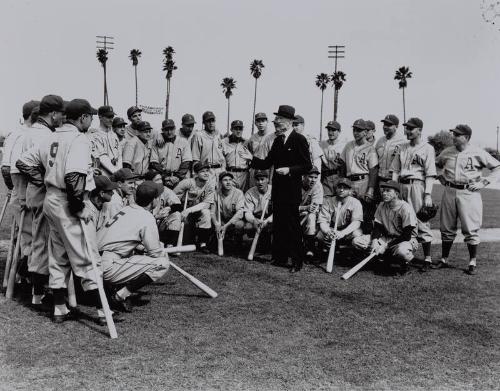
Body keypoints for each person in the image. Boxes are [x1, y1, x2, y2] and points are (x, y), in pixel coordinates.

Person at [19, 98, 106, 323]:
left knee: (58, 255)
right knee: (86, 255)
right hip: (69, 202)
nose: (92, 120)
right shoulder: (79, 139)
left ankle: (59, 308)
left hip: (51, 199)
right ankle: (102, 310)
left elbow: (24, 162)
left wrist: (45, 181)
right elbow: (73, 176)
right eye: (91, 117)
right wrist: (78, 208)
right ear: (83, 117)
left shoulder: (51, 136)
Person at [242, 105, 312, 273]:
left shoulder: (299, 139)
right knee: (279, 224)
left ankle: (297, 261)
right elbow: (267, 162)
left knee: (293, 225)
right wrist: (252, 159)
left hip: (292, 190)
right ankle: (279, 257)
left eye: (279, 120)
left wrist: (289, 170)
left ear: (288, 122)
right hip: (278, 189)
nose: (275, 123)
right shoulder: (278, 141)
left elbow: (307, 165)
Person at [16, 96, 64, 305]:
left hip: (32, 193)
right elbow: (24, 164)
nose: (62, 117)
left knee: (39, 242)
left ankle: (36, 290)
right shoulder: (43, 134)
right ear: (53, 113)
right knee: (43, 243)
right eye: (61, 113)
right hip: (40, 194)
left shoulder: (32, 131)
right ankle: (37, 295)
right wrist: (43, 180)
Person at [433, 124, 500, 274]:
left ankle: (472, 261)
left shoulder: (477, 152)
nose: (454, 137)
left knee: (470, 228)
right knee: (446, 227)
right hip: (450, 190)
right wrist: (441, 176)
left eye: (457, 135)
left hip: (469, 192)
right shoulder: (447, 152)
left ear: (467, 137)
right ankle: (444, 259)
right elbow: (436, 164)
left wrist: (483, 182)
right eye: (454, 134)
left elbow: (497, 167)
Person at [97, 181, 171, 313]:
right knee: (162, 263)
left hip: (92, 260)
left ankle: (111, 288)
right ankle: (120, 296)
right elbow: (155, 253)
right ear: (154, 200)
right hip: (107, 266)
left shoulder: (126, 209)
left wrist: (142, 249)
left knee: (136, 253)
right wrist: (160, 252)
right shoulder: (147, 217)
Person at [390, 117, 436, 269]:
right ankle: (403, 255)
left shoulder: (428, 148)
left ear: (420, 130)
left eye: (411, 128)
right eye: (406, 128)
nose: (407, 131)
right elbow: (395, 170)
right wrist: (394, 188)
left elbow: (430, 174)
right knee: (401, 219)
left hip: (417, 185)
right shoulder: (401, 147)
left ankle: (428, 258)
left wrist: (428, 194)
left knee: (421, 221)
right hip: (401, 185)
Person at [353, 180, 418, 274]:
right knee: (357, 241)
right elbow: (377, 227)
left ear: (396, 193)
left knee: (402, 251)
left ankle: (405, 263)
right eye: (383, 190)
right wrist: (375, 241)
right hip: (387, 238)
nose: (384, 193)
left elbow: (406, 235)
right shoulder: (381, 205)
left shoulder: (406, 208)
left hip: (405, 240)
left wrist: (386, 246)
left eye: (388, 191)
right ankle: (383, 258)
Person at [339, 119, 379, 232]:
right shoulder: (348, 145)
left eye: (359, 130)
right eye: (354, 130)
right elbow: (342, 164)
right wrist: (342, 181)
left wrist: (370, 189)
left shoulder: (370, 148)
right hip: (349, 181)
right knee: (348, 210)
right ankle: (350, 240)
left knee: (365, 212)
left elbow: (373, 170)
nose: (356, 132)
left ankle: (364, 241)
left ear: (365, 132)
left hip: (363, 181)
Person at [173, 161, 215, 251]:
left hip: (195, 211)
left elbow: (206, 204)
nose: (206, 173)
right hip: (183, 210)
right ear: (196, 173)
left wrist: (189, 210)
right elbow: (174, 197)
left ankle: (203, 243)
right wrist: (181, 210)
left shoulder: (210, 185)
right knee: (186, 241)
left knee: (206, 213)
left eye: (207, 171)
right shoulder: (187, 182)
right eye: (202, 171)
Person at [317, 178, 363, 252]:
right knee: (320, 235)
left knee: (357, 234)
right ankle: (329, 250)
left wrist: (342, 233)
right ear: (336, 189)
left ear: (350, 190)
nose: (341, 190)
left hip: (347, 231)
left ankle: (346, 252)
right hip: (332, 230)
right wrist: (328, 232)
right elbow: (323, 221)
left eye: (345, 188)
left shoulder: (356, 202)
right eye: (339, 187)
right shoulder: (328, 201)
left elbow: (356, 223)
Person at [143, 169, 183, 247]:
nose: (160, 181)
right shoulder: (143, 191)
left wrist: (169, 208)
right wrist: (155, 216)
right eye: (157, 180)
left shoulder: (165, 190)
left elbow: (178, 206)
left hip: (160, 222)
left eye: (161, 179)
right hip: (146, 223)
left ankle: (170, 244)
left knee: (176, 215)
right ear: (150, 182)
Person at [151, 119, 192, 189]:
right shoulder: (157, 142)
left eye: (171, 129)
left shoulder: (183, 142)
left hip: (179, 178)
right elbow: (154, 163)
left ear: (175, 128)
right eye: (166, 129)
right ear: (162, 130)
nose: (169, 132)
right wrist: (165, 177)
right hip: (162, 179)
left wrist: (177, 177)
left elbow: (187, 162)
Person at [211, 172, 245, 246]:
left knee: (240, 224)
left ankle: (237, 243)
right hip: (221, 221)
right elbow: (212, 212)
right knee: (209, 221)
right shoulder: (216, 193)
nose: (228, 182)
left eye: (230, 180)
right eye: (225, 180)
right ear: (220, 182)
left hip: (232, 221)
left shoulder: (238, 193)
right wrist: (216, 223)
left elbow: (240, 213)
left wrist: (226, 226)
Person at [191, 111, 225, 180]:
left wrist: (223, 169)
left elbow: (223, 156)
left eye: (212, 121)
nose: (211, 123)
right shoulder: (199, 135)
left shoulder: (219, 135)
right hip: (206, 170)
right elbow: (195, 159)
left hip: (219, 170)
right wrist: (195, 175)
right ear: (203, 123)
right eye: (208, 121)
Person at [243, 170, 273, 250]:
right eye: (257, 179)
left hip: (270, 219)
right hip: (256, 219)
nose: (260, 182)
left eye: (262, 179)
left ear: (267, 180)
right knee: (247, 226)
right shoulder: (249, 193)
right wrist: (254, 221)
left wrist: (266, 221)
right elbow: (247, 213)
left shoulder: (274, 190)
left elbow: (279, 211)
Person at [89, 106, 121, 176]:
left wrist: (120, 171)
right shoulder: (95, 135)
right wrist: (118, 174)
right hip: (104, 174)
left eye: (112, 117)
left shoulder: (114, 135)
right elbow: (102, 157)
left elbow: (119, 155)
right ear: (100, 117)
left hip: (117, 173)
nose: (111, 120)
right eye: (108, 117)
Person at [299, 166, 323, 259]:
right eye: (310, 177)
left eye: (315, 177)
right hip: (293, 212)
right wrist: (305, 208)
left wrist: (308, 209)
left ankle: (310, 248)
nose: (313, 180)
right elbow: (289, 207)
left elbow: (314, 208)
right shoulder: (296, 184)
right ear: (304, 176)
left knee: (311, 216)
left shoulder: (318, 186)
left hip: (306, 214)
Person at [375, 114, 405, 183]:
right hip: (380, 179)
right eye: (384, 124)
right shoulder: (380, 141)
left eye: (389, 125)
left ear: (396, 126)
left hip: (395, 180)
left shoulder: (403, 141)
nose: (385, 127)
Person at [222, 120, 250, 191]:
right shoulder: (224, 142)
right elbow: (222, 159)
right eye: (236, 129)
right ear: (231, 129)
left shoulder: (247, 142)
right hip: (230, 173)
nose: (238, 131)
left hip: (244, 174)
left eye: (240, 129)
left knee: (243, 197)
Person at [319, 121, 345, 197]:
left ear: (339, 131)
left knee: (339, 200)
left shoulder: (343, 145)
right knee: (326, 200)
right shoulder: (321, 144)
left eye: (333, 130)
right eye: (329, 130)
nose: (330, 132)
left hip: (339, 176)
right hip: (326, 177)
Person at [247, 112, 271, 187]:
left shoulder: (272, 136)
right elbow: (249, 154)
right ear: (255, 123)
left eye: (263, 121)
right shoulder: (252, 138)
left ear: (267, 122)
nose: (261, 123)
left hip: (268, 168)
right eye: (258, 121)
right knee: (254, 190)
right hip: (255, 169)